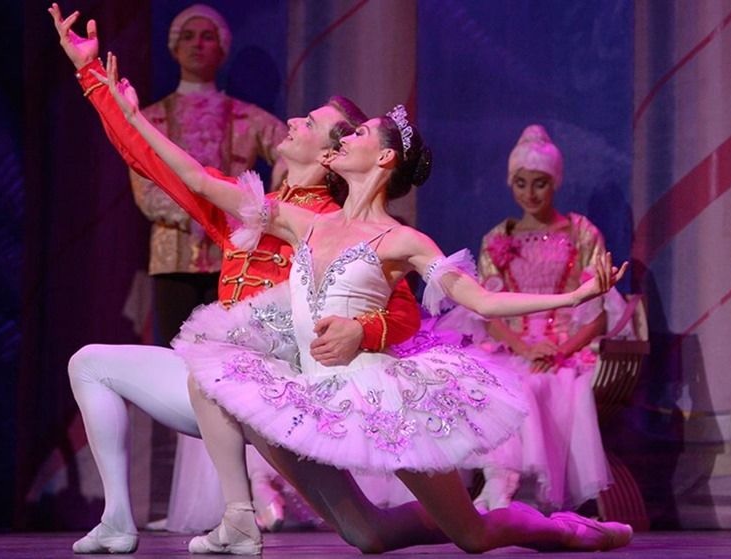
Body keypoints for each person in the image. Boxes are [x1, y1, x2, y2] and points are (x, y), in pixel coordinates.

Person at [94, 49, 632, 555]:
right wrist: (132, 114)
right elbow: (195, 179)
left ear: (384, 156)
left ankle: (566, 531)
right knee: (364, 535)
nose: (345, 138)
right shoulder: (300, 220)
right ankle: (239, 515)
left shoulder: (401, 240)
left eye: (359, 133)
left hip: (386, 399)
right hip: (314, 392)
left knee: (471, 534)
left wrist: (576, 294)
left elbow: (483, 302)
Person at [49, 5, 421, 553]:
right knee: (91, 364)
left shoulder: (338, 226)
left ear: (330, 153)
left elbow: (404, 310)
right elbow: (162, 168)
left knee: (369, 533)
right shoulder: (252, 207)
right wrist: (94, 80)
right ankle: (118, 521)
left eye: (308, 122)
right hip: (222, 390)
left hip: (284, 395)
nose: (291, 122)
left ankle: (488, 526)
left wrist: (358, 332)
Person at [129, 4, 288, 535]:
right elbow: (147, 189)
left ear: (222, 48)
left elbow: (291, 153)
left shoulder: (245, 116)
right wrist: (203, 213)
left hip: (235, 263)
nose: (198, 45)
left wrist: (263, 207)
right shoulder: (154, 118)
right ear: (173, 47)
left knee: (237, 373)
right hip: (174, 259)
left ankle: (248, 492)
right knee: (178, 376)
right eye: (188, 36)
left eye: (207, 37)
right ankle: (182, 499)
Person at [472, 125, 622, 511]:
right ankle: (498, 481)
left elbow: (597, 314)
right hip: (515, 349)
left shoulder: (581, 233)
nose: (530, 194)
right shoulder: (497, 238)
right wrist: (524, 348)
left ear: (554, 182)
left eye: (539, 183)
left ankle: (531, 491)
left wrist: (558, 350)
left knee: (533, 386)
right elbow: (489, 312)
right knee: (495, 386)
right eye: (521, 183)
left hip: (566, 351)